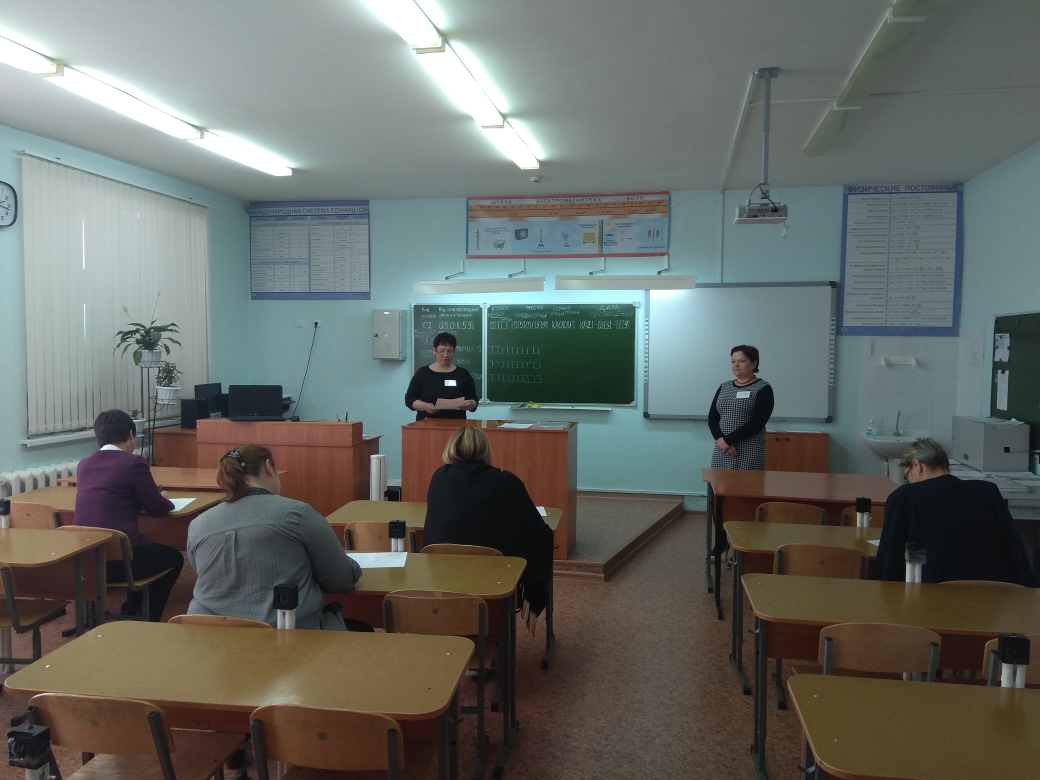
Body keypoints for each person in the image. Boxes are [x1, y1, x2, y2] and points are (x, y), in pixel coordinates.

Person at [186, 444, 364, 629]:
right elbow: (341, 580)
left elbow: (204, 572)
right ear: (268, 467)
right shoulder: (297, 514)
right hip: (286, 638)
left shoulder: (197, 525)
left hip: (209, 638)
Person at [424, 426, 554, 618]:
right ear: (486, 450)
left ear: (450, 448)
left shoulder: (439, 477)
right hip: (492, 578)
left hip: (444, 573)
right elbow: (535, 529)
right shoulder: (506, 481)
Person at [873, 438, 1034, 585]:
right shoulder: (987, 492)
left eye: (907, 477)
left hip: (930, 596)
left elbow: (889, 559)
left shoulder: (904, 497)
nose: (908, 482)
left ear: (917, 465)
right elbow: (1015, 550)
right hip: (991, 595)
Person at [73, 409, 183, 621]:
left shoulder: (84, 464)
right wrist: (163, 498)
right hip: (122, 561)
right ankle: (146, 618)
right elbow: (157, 508)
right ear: (132, 435)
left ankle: (131, 611)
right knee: (173, 558)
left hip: (88, 561)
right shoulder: (133, 463)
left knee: (142, 548)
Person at [708, 345, 774, 469]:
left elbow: (758, 422)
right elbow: (712, 417)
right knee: (719, 481)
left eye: (741, 361)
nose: (736, 365)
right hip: (723, 449)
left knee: (747, 481)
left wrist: (728, 440)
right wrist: (720, 441)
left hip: (749, 450)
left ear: (753, 364)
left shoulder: (763, 388)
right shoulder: (724, 386)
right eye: (733, 361)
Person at [405, 331, 479, 421]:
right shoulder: (422, 373)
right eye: (442, 351)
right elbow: (409, 399)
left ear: (454, 352)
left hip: (456, 423)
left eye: (449, 351)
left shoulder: (463, 374)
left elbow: (474, 400)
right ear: (434, 350)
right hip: (427, 423)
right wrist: (425, 406)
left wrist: (470, 404)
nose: (445, 355)